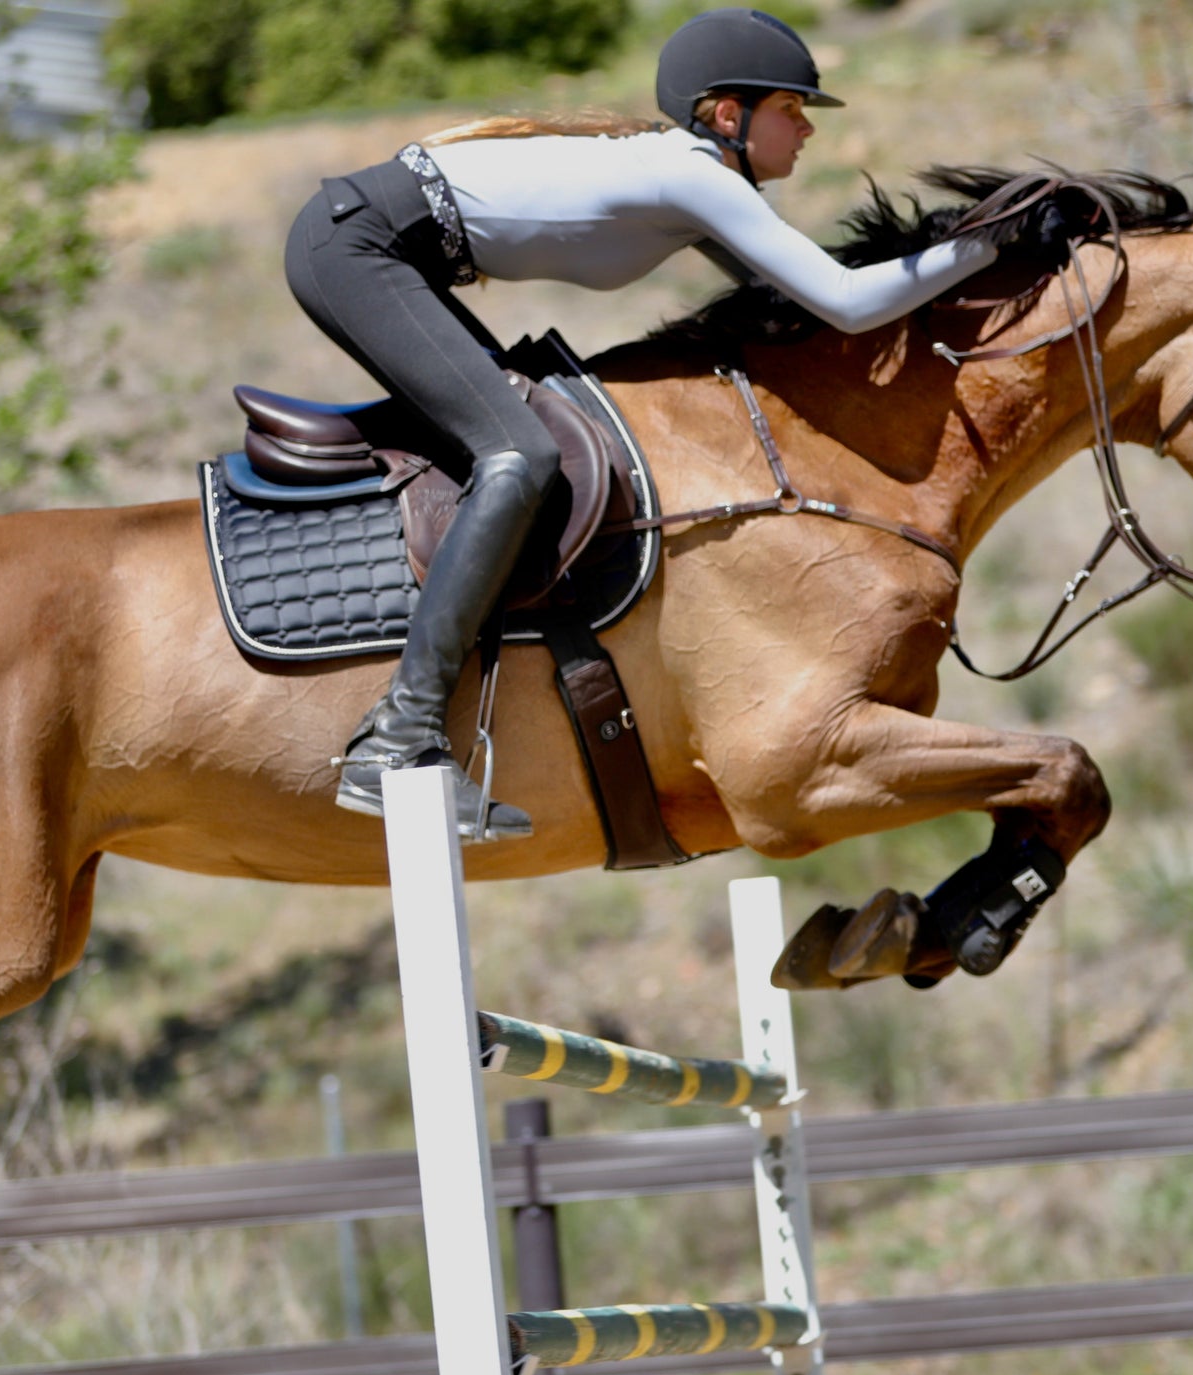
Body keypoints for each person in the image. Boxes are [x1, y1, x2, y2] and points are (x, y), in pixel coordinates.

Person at [287, 6, 998, 841]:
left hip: (374, 247)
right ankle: (396, 740)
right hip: (354, 249)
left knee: (523, 439)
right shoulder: (693, 175)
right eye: (791, 109)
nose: (805, 129)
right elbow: (846, 304)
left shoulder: (696, 179)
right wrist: (995, 239)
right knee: (518, 454)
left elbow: (805, 301)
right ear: (727, 115)